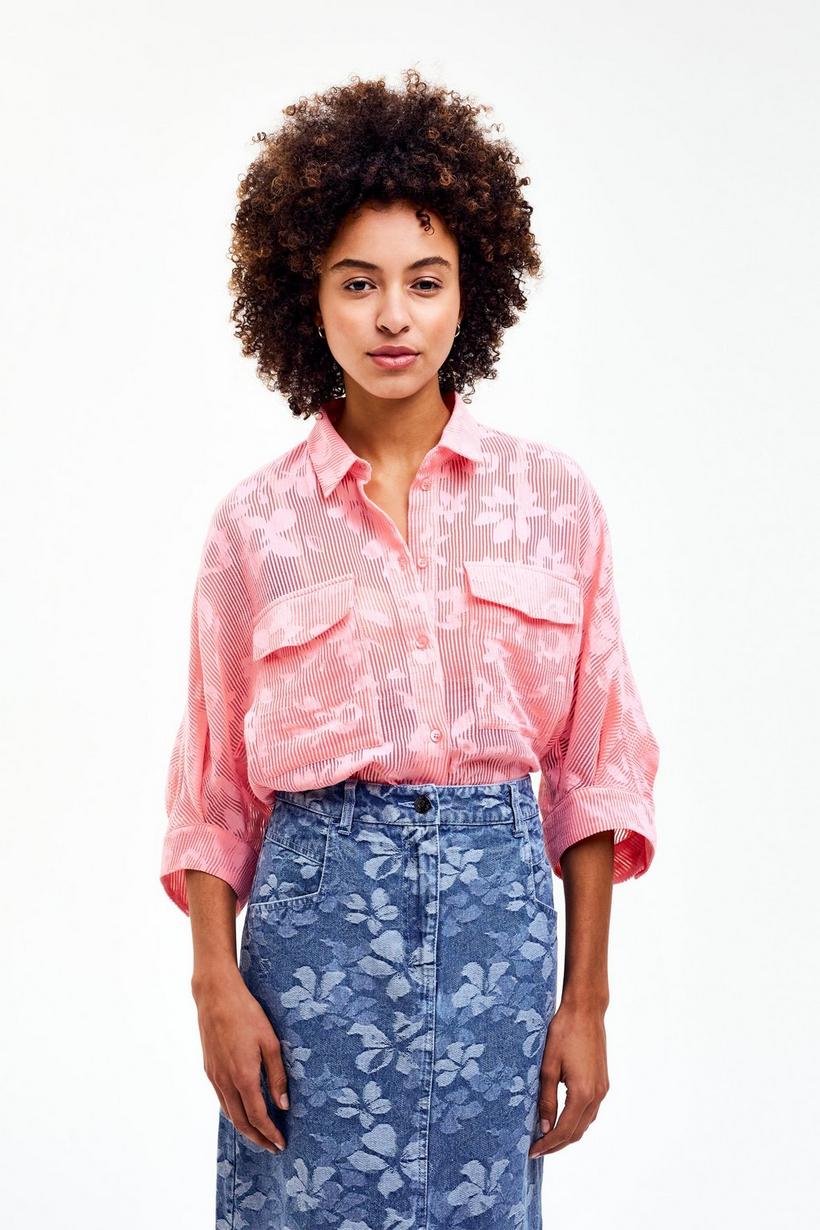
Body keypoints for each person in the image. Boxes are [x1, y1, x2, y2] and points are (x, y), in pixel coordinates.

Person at [159, 67, 660, 1230]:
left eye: (424, 281)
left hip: (498, 934)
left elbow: (592, 771)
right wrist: (212, 984)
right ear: (306, 297)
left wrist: (585, 1001)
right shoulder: (254, 526)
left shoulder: (552, 502)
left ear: (468, 293)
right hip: (310, 941)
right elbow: (212, 789)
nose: (393, 316)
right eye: (358, 282)